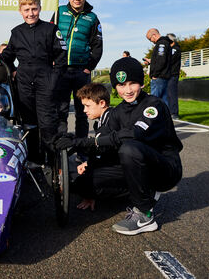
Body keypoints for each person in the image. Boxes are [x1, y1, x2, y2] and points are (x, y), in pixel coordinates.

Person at [57, 57, 182, 235]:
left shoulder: (154, 105)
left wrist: (87, 141)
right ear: (115, 87)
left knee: (128, 147)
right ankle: (136, 191)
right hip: (135, 165)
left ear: (141, 83)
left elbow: (135, 134)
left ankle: (145, 215)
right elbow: (103, 144)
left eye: (132, 83)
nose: (128, 90)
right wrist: (73, 143)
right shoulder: (118, 112)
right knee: (82, 183)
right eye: (122, 85)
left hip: (165, 169)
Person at [0, 0, 67, 164]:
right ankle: (33, 162)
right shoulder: (16, 32)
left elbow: (61, 58)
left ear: (40, 8)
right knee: (28, 125)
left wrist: (53, 80)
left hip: (45, 81)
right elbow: (8, 55)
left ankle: (53, 165)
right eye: (26, 10)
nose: (30, 13)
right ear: (20, 11)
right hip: (24, 84)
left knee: (47, 125)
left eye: (34, 9)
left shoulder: (51, 29)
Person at [51, 0, 103, 142]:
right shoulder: (59, 11)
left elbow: (98, 45)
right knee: (61, 110)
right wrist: (51, 60)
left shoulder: (92, 18)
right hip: (61, 70)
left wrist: (89, 67)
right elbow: (48, 36)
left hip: (81, 72)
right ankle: (61, 149)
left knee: (82, 112)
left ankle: (82, 149)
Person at [55, 83, 118, 211]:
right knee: (76, 175)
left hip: (120, 172)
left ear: (102, 103)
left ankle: (119, 196)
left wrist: (89, 164)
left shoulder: (112, 120)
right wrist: (88, 163)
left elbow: (104, 149)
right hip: (112, 164)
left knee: (77, 184)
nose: (84, 110)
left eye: (87, 106)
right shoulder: (104, 119)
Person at [144, 28, 172, 103]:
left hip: (159, 77)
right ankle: (166, 115)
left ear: (154, 35)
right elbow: (162, 59)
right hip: (164, 76)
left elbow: (161, 60)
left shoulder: (161, 44)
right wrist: (151, 62)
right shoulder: (166, 43)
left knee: (154, 101)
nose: (151, 41)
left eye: (150, 39)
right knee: (164, 100)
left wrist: (155, 75)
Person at [166, 33, 181, 120]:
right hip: (169, 74)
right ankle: (170, 112)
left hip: (173, 74)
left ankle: (174, 113)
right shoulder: (171, 49)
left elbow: (169, 60)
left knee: (172, 94)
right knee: (168, 94)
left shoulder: (175, 49)